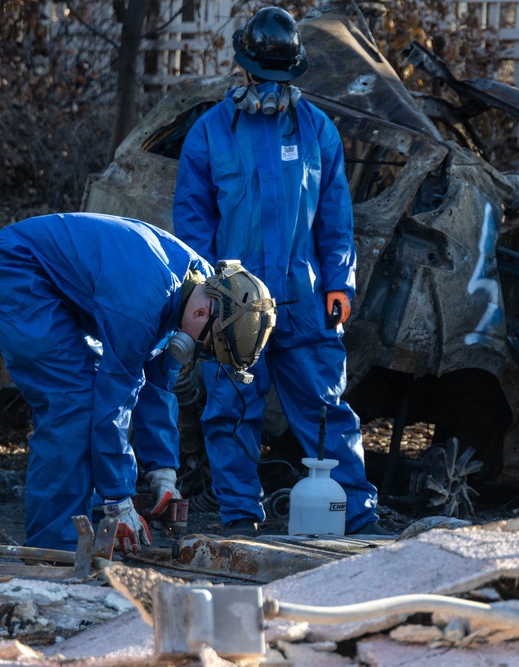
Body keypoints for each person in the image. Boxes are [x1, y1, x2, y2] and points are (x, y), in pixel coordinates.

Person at [172, 6, 385, 537]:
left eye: (281, 80)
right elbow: (193, 224)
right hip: (233, 305)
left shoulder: (318, 131)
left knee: (325, 411)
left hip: (304, 300)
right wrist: (204, 296)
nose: (271, 89)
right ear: (242, 71)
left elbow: (336, 217)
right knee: (231, 411)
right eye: (262, 79)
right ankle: (241, 518)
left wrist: (339, 283)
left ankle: (357, 518)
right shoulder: (208, 135)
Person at [0, 212, 275, 554]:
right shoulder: (142, 304)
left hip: (54, 277)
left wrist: (163, 473)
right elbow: (113, 402)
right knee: (73, 402)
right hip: (16, 266)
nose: (202, 353)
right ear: (204, 315)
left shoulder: (202, 286)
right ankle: (55, 551)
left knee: (84, 398)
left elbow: (157, 385)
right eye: (209, 347)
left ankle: (71, 537)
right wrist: (117, 500)